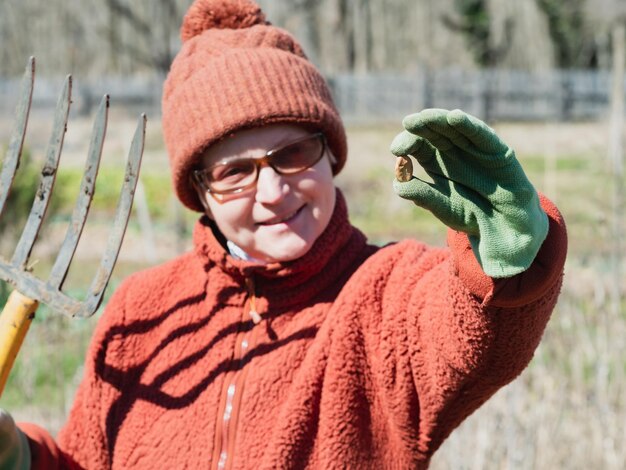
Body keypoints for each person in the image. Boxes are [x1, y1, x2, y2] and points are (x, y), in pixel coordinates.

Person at [0, 0, 567, 468]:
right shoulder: (140, 313)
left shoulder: (383, 297)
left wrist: (505, 260)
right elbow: (83, 459)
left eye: (293, 153)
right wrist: (17, 453)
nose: (272, 192)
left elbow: (470, 333)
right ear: (199, 191)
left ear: (329, 153)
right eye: (234, 171)